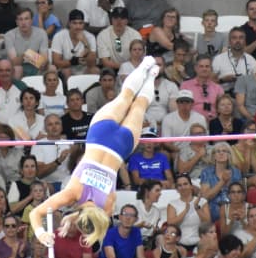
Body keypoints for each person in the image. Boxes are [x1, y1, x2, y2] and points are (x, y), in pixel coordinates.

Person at [29, 57, 159, 247]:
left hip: (119, 147)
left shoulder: (106, 207)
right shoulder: (72, 193)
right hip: (99, 137)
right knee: (125, 96)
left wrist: (75, 218)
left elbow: (96, 215)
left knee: (139, 105)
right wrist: (41, 234)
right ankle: (145, 66)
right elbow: (35, 214)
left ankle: (151, 75)